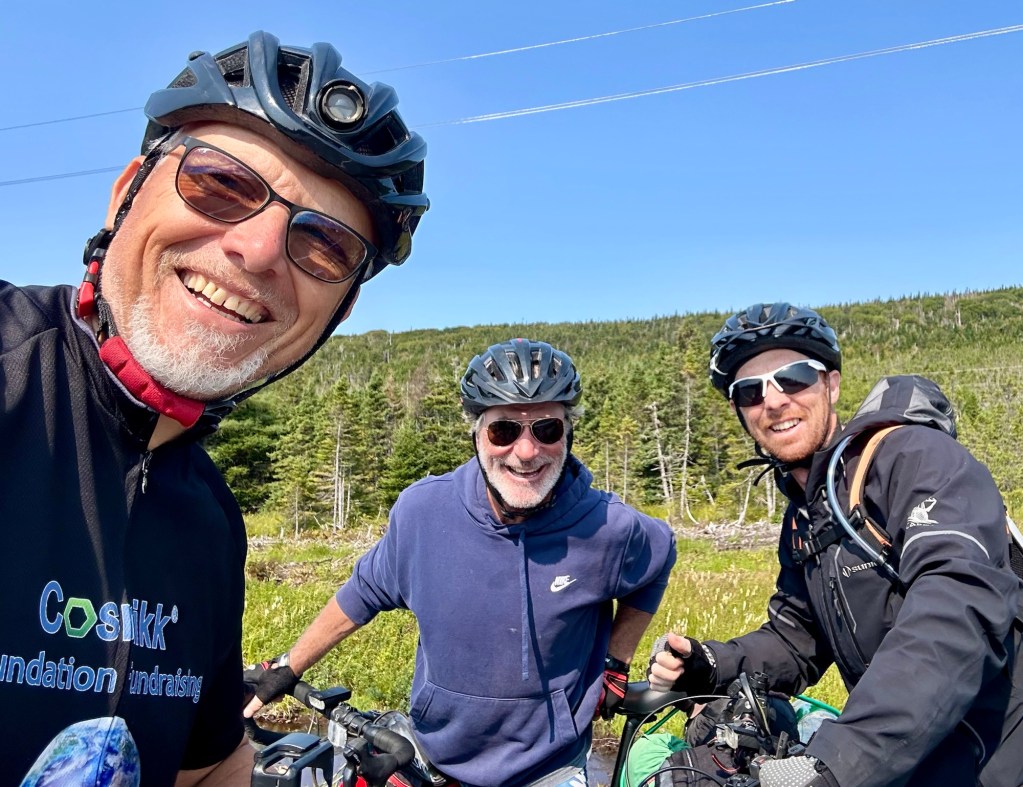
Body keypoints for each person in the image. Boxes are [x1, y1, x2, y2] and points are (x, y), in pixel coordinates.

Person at [1, 31, 428, 784]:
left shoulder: (211, 520)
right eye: (221, 183)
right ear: (127, 193)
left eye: (325, 245)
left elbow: (204, 766)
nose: (258, 250)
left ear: (337, 312)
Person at [245, 338, 677, 787]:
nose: (526, 452)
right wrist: (288, 667)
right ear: (476, 433)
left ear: (569, 433)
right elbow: (363, 593)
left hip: (551, 768)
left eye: (546, 429)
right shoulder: (423, 512)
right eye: (504, 431)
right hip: (434, 759)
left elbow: (659, 559)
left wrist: (616, 659)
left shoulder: (607, 526)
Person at [647, 303, 1021, 787]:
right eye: (750, 390)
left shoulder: (913, 457)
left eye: (794, 378)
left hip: (998, 750)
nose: (773, 401)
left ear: (832, 385)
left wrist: (839, 762)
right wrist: (709, 664)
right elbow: (796, 639)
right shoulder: (807, 516)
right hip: (913, 760)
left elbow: (956, 606)